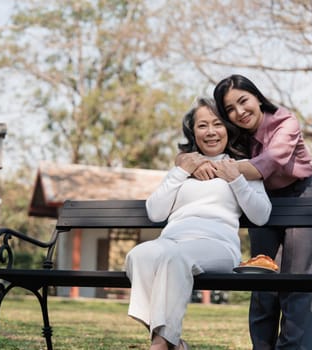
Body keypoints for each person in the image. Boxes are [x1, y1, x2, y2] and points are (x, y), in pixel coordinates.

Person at [125, 97, 272, 350]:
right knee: (139, 255)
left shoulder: (240, 167)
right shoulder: (183, 167)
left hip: (217, 246)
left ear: (228, 128)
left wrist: (235, 179)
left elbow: (261, 215)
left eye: (218, 124)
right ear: (193, 132)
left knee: (173, 257)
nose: (211, 132)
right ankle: (175, 343)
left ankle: (160, 343)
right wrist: (182, 171)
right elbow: (155, 212)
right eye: (202, 125)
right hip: (171, 242)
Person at [208, 74, 312, 350]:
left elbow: (268, 163)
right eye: (230, 110)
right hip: (261, 200)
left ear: (257, 97)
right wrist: (189, 161)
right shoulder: (235, 135)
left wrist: (225, 168)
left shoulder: (286, 123)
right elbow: (196, 144)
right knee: (262, 281)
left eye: (243, 101)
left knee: (296, 283)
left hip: (302, 196)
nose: (239, 112)